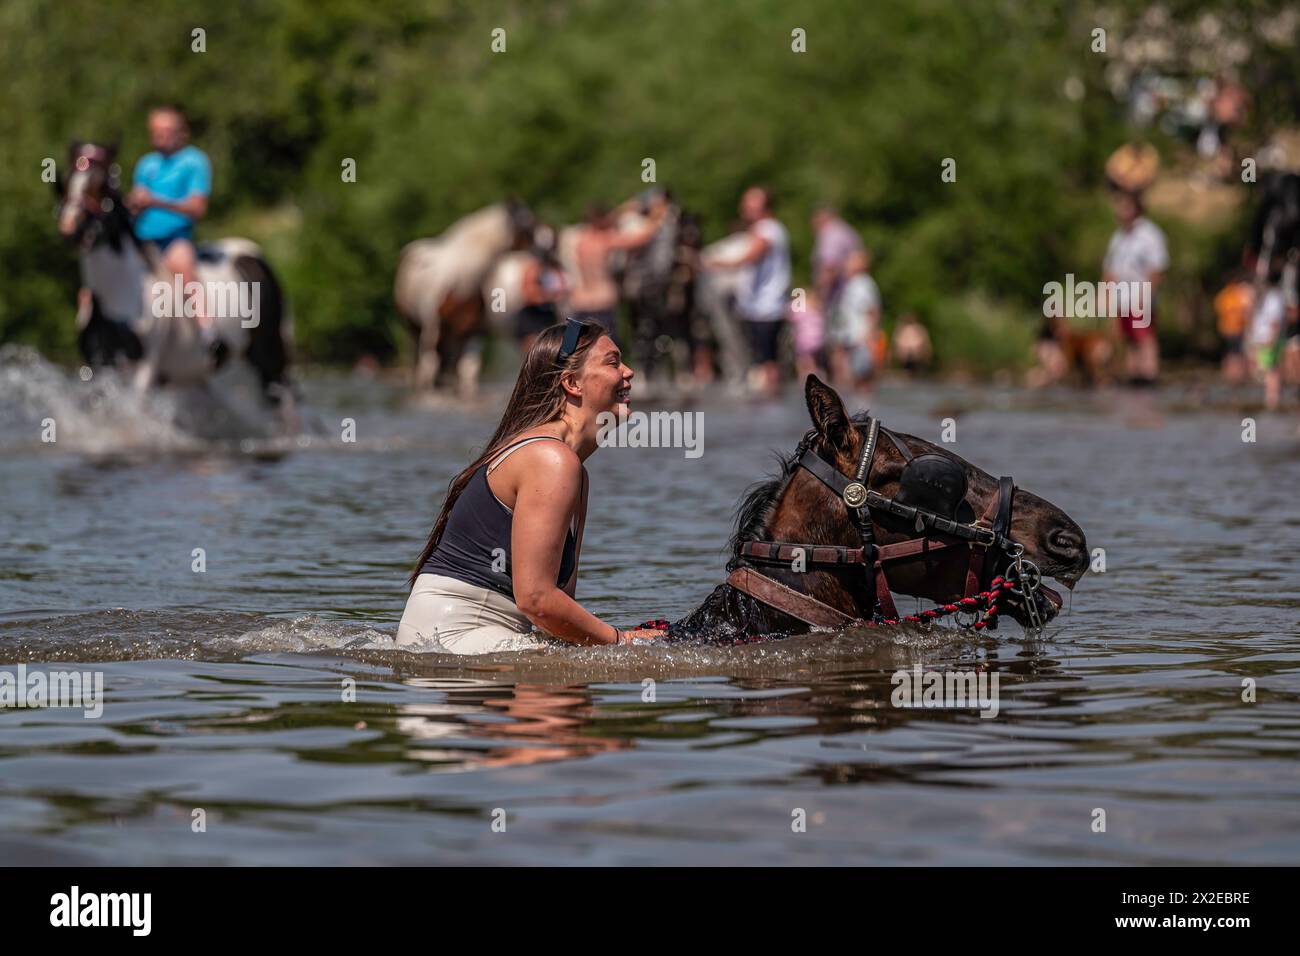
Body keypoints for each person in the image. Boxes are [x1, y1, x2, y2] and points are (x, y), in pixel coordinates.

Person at [400, 319, 667, 653]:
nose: (629, 372)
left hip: (483, 634)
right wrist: (623, 640)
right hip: (451, 635)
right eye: (613, 362)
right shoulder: (550, 459)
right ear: (573, 383)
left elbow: (558, 608)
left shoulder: (574, 472)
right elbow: (537, 599)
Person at [125, 105, 215, 340]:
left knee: (185, 269)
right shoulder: (146, 164)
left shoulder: (194, 161)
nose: (160, 137)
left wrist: (155, 201)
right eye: (156, 132)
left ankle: (207, 332)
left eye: (166, 131)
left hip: (175, 239)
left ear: (181, 133)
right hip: (143, 239)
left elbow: (197, 208)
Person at [703, 186, 791, 399]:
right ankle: (769, 405)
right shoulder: (763, 229)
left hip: (766, 307)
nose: (745, 207)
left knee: (767, 361)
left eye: (751, 203)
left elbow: (751, 256)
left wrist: (715, 261)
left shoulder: (768, 229)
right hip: (757, 307)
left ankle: (771, 407)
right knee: (762, 360)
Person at [567, 200, 666, 337]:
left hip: (580, 302)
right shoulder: (604, 239)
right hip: (602, 301)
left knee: (572, 349)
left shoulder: (581, 240)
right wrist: (656, 217)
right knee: (608, 350)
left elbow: (606, 219)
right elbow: (641, 238)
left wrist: (624, 208)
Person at [1103, 190, 1168, 385]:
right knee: (1129, 339)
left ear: (1136, 209)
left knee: (1144, 338)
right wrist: (1106, 296)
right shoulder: (1118, 237)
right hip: (1122, 298)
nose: (1119, 210)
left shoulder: (1149, 234)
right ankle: (1134, 379)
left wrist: (1146, 295)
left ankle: (1149, 376)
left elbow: (1157, 267)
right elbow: (1110, 270)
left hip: (1141, 296)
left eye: (1124, 206)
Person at [828, 248, 881, 393]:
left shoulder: (863, 283)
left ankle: (864, 410)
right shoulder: (852, 284)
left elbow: (872, 311)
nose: (846, 264)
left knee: (862, 379)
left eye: (850, 260)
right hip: (852, 339)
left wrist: (870, 338)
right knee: (852, 378)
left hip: (861, 339)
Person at [514, 226, 568, 355]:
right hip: (533, 317)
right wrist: (552, 296)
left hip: (549, 315)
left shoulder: (555, 266)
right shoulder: (533, 267)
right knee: (532, 356)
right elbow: (529, 294)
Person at [810, 204, 863, 316]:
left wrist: (818, 297)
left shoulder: (831, 234)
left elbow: (829, 267)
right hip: (853, 295)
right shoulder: (847, 231)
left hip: (838, 299)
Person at [1214, 270, 1254, 385]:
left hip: (1226, 329)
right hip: (1235, 329)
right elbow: (1244, 310)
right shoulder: (1235, 294)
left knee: (1230, 352)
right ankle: (1236, 376)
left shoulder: (1222, 295)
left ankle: (1230, 375)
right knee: (1236, 353)